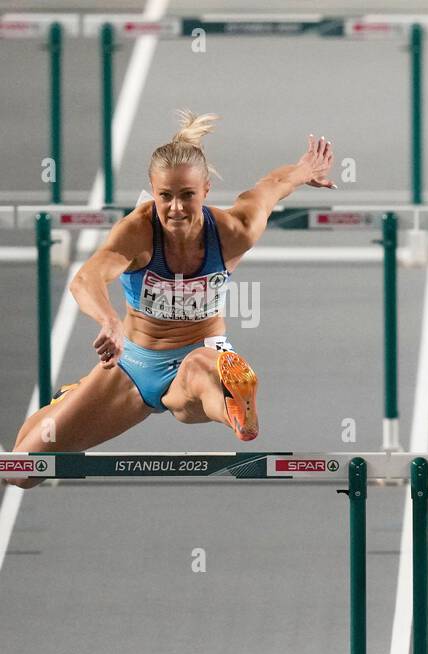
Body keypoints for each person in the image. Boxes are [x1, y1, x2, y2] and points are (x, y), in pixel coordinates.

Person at [6, 110, 336, 489]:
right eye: (165, 196)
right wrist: (109, 321)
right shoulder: (137, 232)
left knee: (197, 380)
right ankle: (76, 393)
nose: (176, 208)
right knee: (24, 469)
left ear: (206, 191)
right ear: (152, 189)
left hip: (200, 353)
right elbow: (86, 279)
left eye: (187, 196)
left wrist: (304, 169)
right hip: (132, 364)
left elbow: (272, 185)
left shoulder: (233, 230)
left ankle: (236, 409)